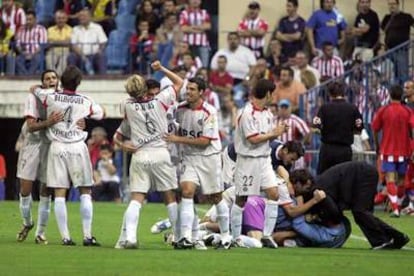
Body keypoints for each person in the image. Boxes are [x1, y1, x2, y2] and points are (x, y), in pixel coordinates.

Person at [32, 65, 104, 246]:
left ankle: (66, 237)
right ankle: (87, 236)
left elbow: (33, 89)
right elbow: (101, 113)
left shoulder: (49, 96)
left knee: (59, 193)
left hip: (57, 146)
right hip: (77, 146)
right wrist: (85, 120)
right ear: (79, 82)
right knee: (85, 191)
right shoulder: (86, 100)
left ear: (61, 81)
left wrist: (49, 89)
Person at [113, 61, 183, 249]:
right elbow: (179, 83)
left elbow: (123, 127)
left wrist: (123, 145)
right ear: (145, 88)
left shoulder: (126, 106)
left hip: (140, 154)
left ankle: (131, 238)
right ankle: (178, 237)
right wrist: (161, 69)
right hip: (160, 152)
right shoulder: (160, 100)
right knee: (169, 197)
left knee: (136, 198)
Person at [164, 77, 232, 250]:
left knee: (216, 197)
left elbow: (204, 141)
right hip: (189, 157)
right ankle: (186, 237)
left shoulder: (209, 112)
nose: (188, 92)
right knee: (187, 192)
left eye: (193, 89)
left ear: (201, 92)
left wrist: (177, 138)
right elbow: (170, 122)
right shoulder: (179, 108)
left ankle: (226, 236)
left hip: (209, 157)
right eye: (187, 89)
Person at [290, 162, 410, 250]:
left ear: (301, 183)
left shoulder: (318, 191)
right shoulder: (316, 186)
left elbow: (335, 213)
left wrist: (320, 218)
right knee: (361, 213)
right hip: (361, 174)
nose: (295, 192)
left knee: (360, 212)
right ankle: (385, 240)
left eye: (295, 186)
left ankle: (390, 238)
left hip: (362, 175)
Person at [230, 79, 286, 249]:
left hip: (264, 159)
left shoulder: (267, 113)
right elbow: (252, 139)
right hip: (248, 160)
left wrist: (275, 133)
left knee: (274, 194)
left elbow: (265, 137)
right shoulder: (246, 113)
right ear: (267, 94)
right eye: (272, 93)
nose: (273, 96)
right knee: (241, 199)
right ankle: (235, 237)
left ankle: (267, 236)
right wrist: (274, 134)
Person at [16, 70, 61, 244]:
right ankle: (27, 223)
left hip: (50, 146)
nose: (52, 80)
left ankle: (40, 233)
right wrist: (49, 122)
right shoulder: (33, 97)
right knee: (25, 189)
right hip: (32, 144)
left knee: (45, 190)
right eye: (48, 78)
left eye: (54, 78)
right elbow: (31, 126)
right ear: (42, 83)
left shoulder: (61, 98)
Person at [372, 85, 413, 217]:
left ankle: (396, 208)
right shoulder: (407, 111)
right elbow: (412, 129)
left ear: (389, 95)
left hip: (388, 150)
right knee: (401, 180)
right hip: (404, 150)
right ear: (401, 95)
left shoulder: (384, 110)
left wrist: (377, 145)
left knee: (390, 179)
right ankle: (398, 206)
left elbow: (375, 128)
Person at [313, 81, 363, 174]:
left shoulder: (324, 108)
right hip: (344, 150)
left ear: (329, 93)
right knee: (343, 179)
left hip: (327, 149)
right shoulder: (353, 108)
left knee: (324, 178)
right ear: (344, 92)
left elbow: (316, 128)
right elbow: (359, 130)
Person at [210, 32, 256, 108]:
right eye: (230, 39)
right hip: (224, 82)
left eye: (235, 39)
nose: (233, 41)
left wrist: (247, 78)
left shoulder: (246, 51)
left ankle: (241, 116)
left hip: (241, 82)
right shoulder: (221, 52)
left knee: (237, 97)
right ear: (227, 40)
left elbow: (253, 67)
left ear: (239, 40)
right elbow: (213, 68)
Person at [381, 0, 414, 84]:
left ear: (398, 4)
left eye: (394, 4)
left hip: (401, 50)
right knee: (389, 75)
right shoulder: (387, 18)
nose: (392, 6)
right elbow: (382, 31)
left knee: (403, 74)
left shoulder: (406, 16)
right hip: (388, 50)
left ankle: (405, 94)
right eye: (390, 4)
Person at [68, 8, 107, 75]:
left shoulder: (97, 28)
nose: (81, 18)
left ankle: (102, 78)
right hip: (80, 55)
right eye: (80, 16)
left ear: (90, 17)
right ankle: (71, 79)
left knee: (101, 56)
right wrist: (83, 56)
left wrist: (99, 51)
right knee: (71, 56)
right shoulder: (76, 29)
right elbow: (74, 45)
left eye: (84, 16)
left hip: (94, 55)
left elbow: (103, 42)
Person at [179, 0, 211, 67]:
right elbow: (183, 28)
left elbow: (208, 26)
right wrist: (200, 29)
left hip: (203, 44)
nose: (195, 1)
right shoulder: (184, 13)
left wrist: (191, 28)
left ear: (200, 1)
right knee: (186, 65)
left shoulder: (204, 12)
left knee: (203, 66)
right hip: (188, 44)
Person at [15, 10, 47, 75]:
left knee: (38, 59)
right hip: (24, 53)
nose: (28, 21)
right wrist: (23, 53)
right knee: (18, 59)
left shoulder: (41, 29)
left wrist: (32, 54)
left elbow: (42, 45)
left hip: (36, 53)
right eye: (27, 19)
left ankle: (29, 76)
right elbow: (18, 44)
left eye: (30, 19)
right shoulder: (21, 29)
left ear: (35, 19)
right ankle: (25, 76)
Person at [46, 10, 72, 76]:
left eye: (63, 18)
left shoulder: (70, 29)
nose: (61, 20)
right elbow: (49, 42)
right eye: (59, 18)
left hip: (65, 50)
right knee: (49, 59)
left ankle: (57, 77)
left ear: (66, 19)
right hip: (52, 50)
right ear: (55, 19)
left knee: (64, 60)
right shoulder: (50, 29)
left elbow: (69, 42)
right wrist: (63, 42)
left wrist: (55, 42)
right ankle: (53, 76)